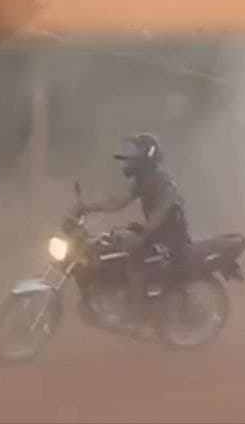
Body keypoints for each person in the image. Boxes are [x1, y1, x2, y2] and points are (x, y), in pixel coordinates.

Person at [81, 133, 192, 324]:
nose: (128, 162)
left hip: (171, 239)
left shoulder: (161, 180)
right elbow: (117, 202)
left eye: (133, 158)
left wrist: (144, 234)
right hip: (157, 233)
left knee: (134, 265)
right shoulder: (143, 180)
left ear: (145, 159)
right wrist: (86, 207)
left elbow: (162, 210)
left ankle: (137, 314)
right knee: (110, 245)